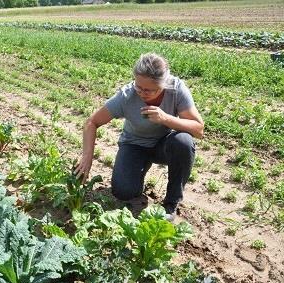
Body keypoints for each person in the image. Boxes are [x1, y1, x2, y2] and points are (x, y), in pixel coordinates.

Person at [74, 53, 204, 221]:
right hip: (135, 145)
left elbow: (199, 129)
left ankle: (171, 204)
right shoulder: (126, 95)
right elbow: (92, 122)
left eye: (148, 90)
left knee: (183, 142)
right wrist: (87, 158)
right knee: (123, 192)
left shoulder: (177, 90)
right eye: (138, 86)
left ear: (163, 85)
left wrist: (165, 118)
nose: (141, 93)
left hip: (163, 146)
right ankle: (138, 172)